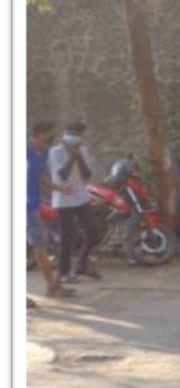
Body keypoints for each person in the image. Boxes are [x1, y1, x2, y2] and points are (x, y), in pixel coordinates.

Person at [26, 119, 73, 304]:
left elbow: (43, 180)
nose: (52, 137)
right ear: (39, 134)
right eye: (50, 133)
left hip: (32, 205)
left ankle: (52, 286)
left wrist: (61, 189)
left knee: (40, 245)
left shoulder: (43, 153)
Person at [48, 119, 98, 284]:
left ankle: (82, 263)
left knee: (93, 231)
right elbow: (62, 174)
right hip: (63, 200)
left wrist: (78, 156)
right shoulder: (55, 152)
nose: (78, 136)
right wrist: (72, 157)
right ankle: (64, 273)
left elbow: (86, 175)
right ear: (67, 133)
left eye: (80, 133)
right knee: (67, 237)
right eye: (75, 133)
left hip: (81, 197)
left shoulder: (83, 150)